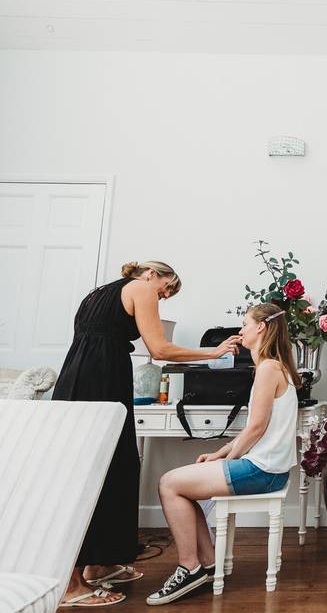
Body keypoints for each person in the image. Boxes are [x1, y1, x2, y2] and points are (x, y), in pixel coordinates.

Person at [54, 261, 240, 609]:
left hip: (79, 378)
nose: (164, 296)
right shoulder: (141, 287)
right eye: (166, 288)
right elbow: (160, 349)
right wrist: (212, 353)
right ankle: (71, 584)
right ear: (153, 274)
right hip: (101, 383)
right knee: (93, 474)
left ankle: (101, 563)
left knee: (116, 466)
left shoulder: (98, 293)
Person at [146, 302, 301, 606]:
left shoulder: (269, 368)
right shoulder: (273, 366)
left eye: (245, 324)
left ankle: (189, 568)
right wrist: (220, 453)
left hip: (262, 471)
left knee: (169, 484)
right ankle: (206, 563)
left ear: (261, 327)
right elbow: (255, 430)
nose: (241, 330)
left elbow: (255, 428)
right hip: (267, 467)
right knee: (181, 486)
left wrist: (228, 459)